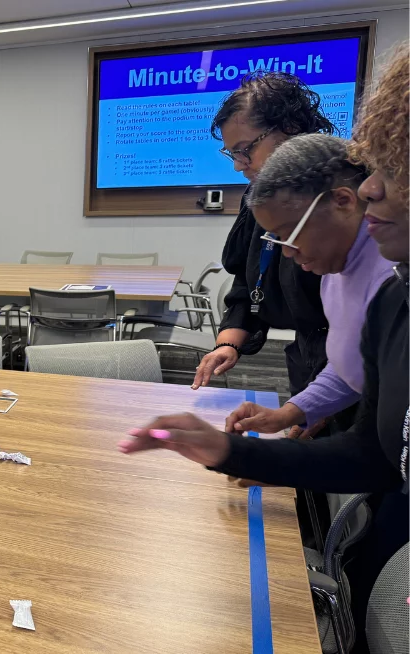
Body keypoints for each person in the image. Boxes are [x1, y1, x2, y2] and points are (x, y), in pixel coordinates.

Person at [120, 44, 409, 653]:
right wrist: (231, 449)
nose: (372, 188)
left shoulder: (380, 280)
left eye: (388, 171)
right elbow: (375, 451)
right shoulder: (385, 298)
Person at [221, 134, 393, 442]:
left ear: (343, 201)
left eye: (290, 234)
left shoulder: (390, 281)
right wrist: (289, 412)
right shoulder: (335, 269)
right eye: (275, 240)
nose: (286, 253)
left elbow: (378, 446)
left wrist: (243, 456)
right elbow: (349, 366)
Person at [193, 73, 336, 420]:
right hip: (308, 362)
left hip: (357, 374)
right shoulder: (260, 197)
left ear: (288, 128)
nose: (239, 165)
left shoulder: (342, 198)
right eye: (232, 153)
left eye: (245, 150)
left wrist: (324, 404)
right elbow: (249, 278)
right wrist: (229, 340)